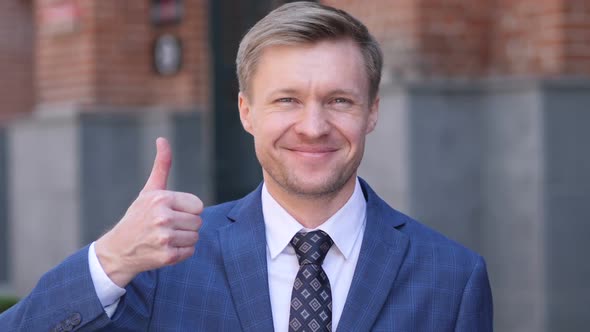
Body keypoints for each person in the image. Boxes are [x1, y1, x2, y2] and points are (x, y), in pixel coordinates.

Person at [0, 2, 492, 331]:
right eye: (287, 100)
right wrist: (110, 259)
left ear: (372, 111)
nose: (313, 126)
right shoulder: (165, 263)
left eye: (339, 100)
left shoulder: (452, 277)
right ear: (245, 111)